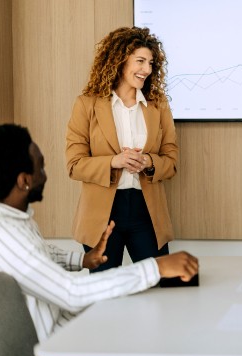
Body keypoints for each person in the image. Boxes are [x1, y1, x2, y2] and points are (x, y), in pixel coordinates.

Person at [0, 124, 198, 356]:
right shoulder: (1, 237)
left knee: (153, 319)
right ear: (24, 180)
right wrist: (157, 267)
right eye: (40, 167)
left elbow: (33, 255)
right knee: (182, 349)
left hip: (70, 329)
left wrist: (82, 259)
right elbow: (71, 293)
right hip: (60, 349)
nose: (45, 174)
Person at [66, 26, 177, 272]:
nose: (147, 70)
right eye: (140, 61)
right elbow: (74, 165)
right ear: (119, 59)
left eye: (150, 63)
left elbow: (172, 161)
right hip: (102, 216)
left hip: (146, 212)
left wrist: (148, 161)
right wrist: (114, 162)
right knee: (105, 293)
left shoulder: (158, 106)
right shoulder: (87, 105)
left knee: (160, 285)